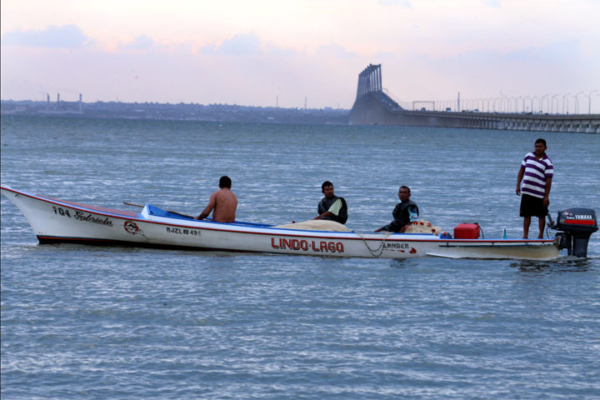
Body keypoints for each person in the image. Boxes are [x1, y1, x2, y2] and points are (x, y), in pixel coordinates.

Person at [516, 138, 553, 239]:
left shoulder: (548, 162)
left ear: (545, 148)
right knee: (526, 215)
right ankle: (525, 235)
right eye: (536, 146)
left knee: (541, 215)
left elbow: (549, 180)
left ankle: (540, 235)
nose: (538, 148)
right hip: (526, 192)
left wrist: (546, 196)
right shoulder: (528, 156)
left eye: (540, 147)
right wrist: (518, 185)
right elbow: (521, 171)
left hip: (539, 193)